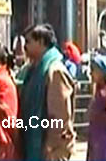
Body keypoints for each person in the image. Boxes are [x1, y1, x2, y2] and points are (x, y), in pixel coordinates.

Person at [20, 24, 76, 161]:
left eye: (28, 42)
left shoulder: (54, 71)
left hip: (50, 150)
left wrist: (53, 149)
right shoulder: (32, 70)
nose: (24, 47)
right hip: (32, 141)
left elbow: (60, 117)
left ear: (40, 42)